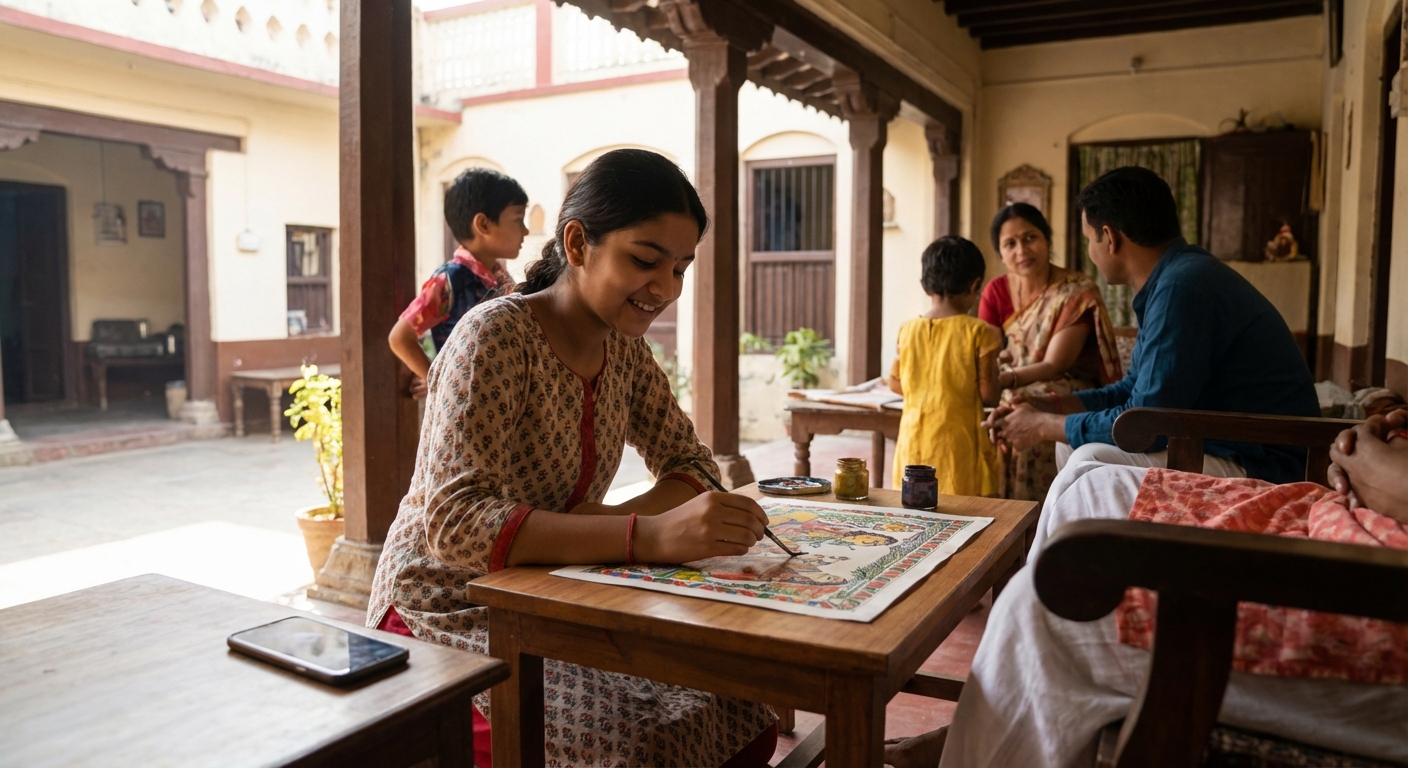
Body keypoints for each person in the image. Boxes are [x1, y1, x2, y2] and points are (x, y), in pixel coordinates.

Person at [366, 149, 777, 768]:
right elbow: (455, 525)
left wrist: (625, 529)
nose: (665, 289)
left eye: (681, 268)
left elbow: (692, 466)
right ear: (579, 243)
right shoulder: (493, 337)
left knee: (744, 717)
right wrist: (647, 537)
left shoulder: (626, 353)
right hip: (448, 610)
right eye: (644, 261)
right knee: (646, 749)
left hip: (554, 595)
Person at [936, 409, 1408, 767]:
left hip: (1379, 580)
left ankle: (995, 718)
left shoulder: (1185, 289)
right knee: (1087, 487)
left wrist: (1363, 454)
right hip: (1345, 519)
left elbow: (1146, 402)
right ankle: (994, 714)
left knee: (1042, 608)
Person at [988, 167, 1319, 485]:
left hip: (1267, 461)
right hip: (1234, 442)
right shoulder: (1174, 278)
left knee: (1086, 463)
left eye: (1090, 239)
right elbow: (1131, 389)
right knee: (1073, 445)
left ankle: (1060, 546)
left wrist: (1044, 425)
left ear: (1110, 237)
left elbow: (1147, 423)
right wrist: (1052, 407)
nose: (1091, 251)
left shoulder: (1181, 287)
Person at [978, 203, 1121, 501]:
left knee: (1021, 404)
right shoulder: (996, 291)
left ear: (1047, 240)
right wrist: (998, 369)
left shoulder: (1076, 292)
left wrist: (1005, 379)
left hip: (1066, 384)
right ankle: (988, 509)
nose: (1022, 250)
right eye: (1010, 243)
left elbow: (1056, 362)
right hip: (1010, 380)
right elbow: (986, 351)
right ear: (1000, 252)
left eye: (1030, 238)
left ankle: (1040, 516)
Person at [388, 167, 529, 398]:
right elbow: (400, 338)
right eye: (518, 219)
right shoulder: (449, 281)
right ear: (483, 225)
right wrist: (438, 380)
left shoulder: (500, 278)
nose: (525, 230)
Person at [886, 236, 1002, 496]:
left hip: (913, 442)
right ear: (975, 285)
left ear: (925, 286)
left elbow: (895, 383)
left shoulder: (907, 331)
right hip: (957, 448)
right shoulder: (981, 333)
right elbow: (989, 393)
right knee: (962, 513)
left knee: (916, 511)